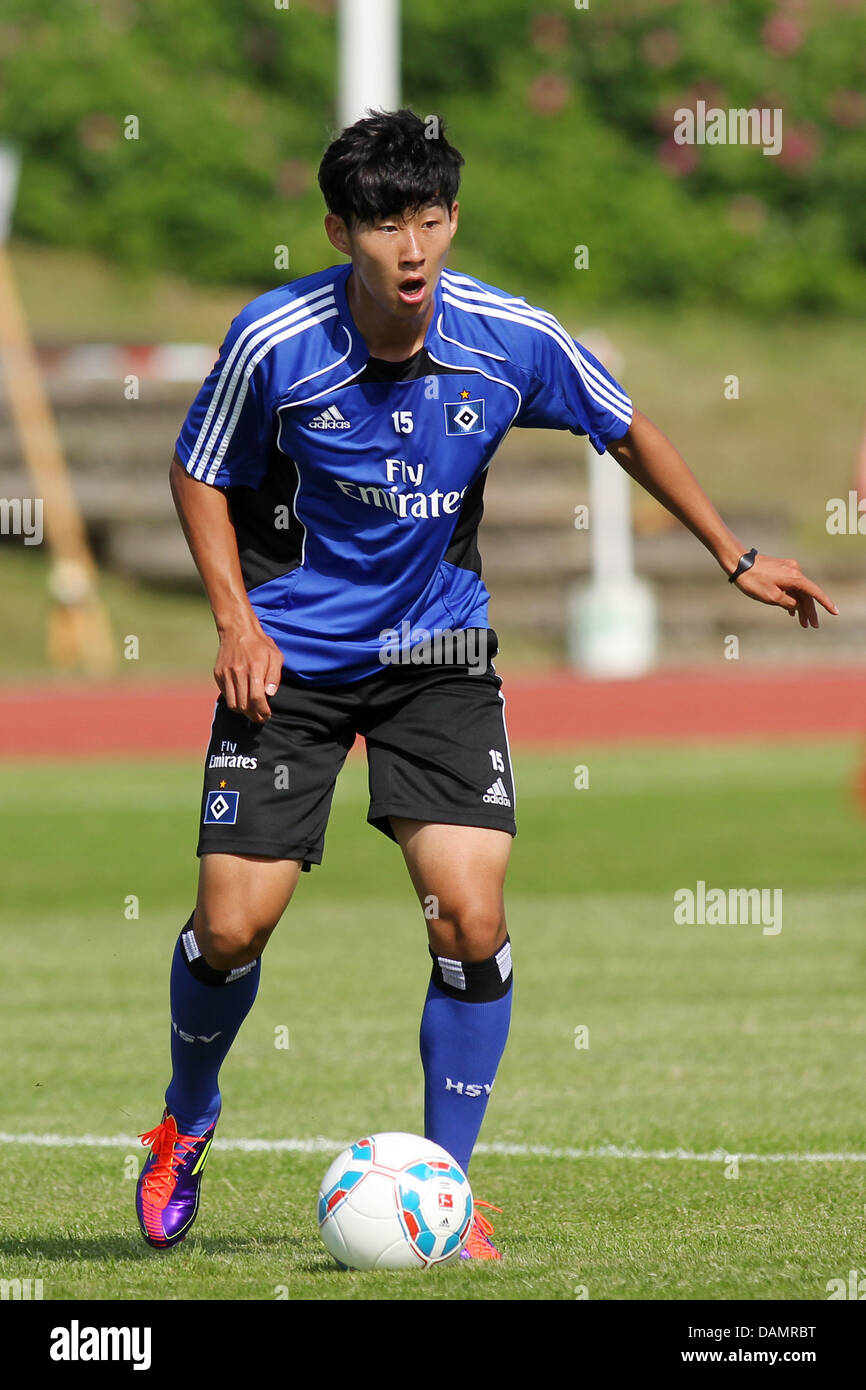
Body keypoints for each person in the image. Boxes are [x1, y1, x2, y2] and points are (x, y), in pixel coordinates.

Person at [136, 108, 837, 1261]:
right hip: (292, 661)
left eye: (427, 219)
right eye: (381, 225)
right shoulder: (274, 340)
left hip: (436, 657)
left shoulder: (508, 337)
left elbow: (626, 427)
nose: (408, 249)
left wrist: (735, 554)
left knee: (468, 916)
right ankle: (186, 1115)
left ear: (452, 219)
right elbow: (196, 466)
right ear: (336, 229)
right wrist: (233, 619)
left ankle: (443, 1193)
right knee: (228, 929)